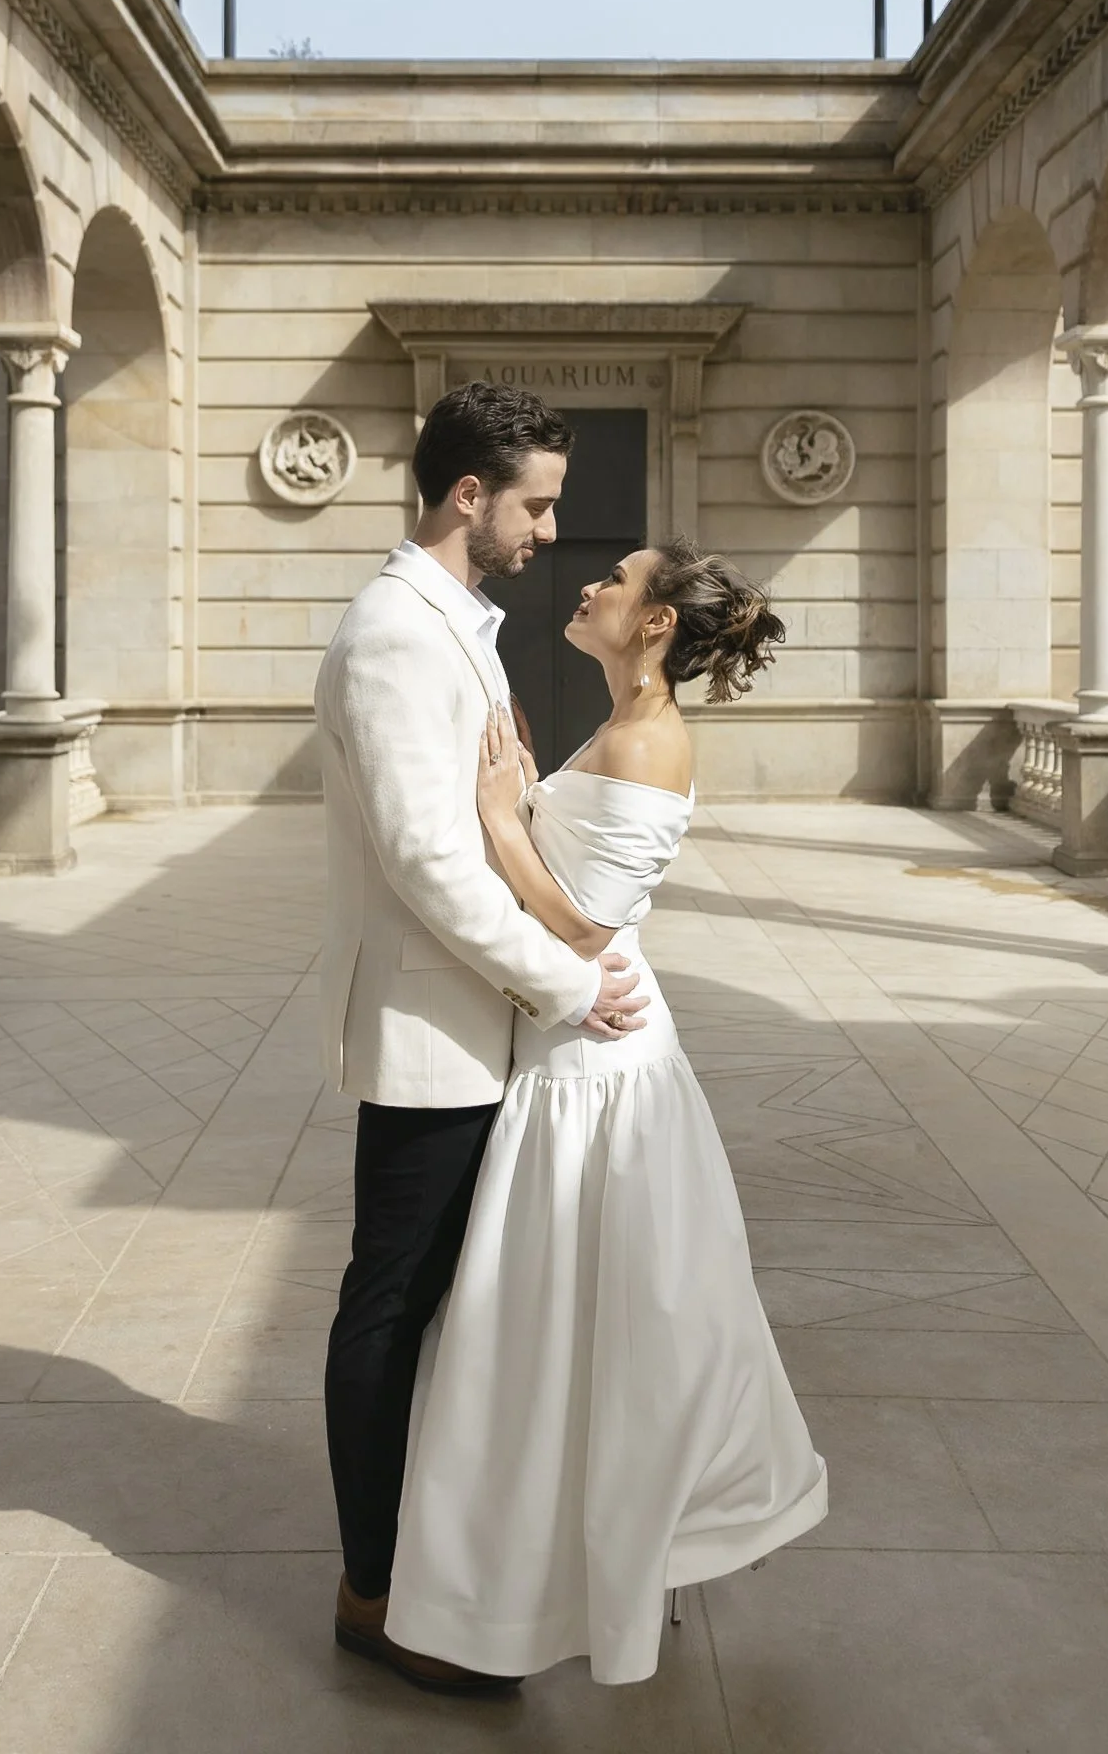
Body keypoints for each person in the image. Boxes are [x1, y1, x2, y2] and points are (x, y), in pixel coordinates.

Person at [385, 537, 828, 1687]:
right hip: (577, 1042)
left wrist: (497, 817)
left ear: (656, 624)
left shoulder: (647, 736)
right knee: (563, 1329)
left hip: (597, 1060)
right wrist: (530, 791)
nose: (588, 585)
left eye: (616, 581)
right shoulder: (619, 725)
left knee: (567, 1329)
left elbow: (584, 924)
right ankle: (551, 1573)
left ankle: (564, 1573)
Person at [315, 381, 651, 1696]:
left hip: (472, 1025)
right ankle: (373, 1596)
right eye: (536, 502)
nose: (548, 527)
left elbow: (481, 829)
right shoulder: (396, 634)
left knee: (434, 1307)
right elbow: (422, 864)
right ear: (467, 495)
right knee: (388, 1306)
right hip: (426, 1030)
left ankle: (433, 1569)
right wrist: (567, 987)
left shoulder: (453, 622)